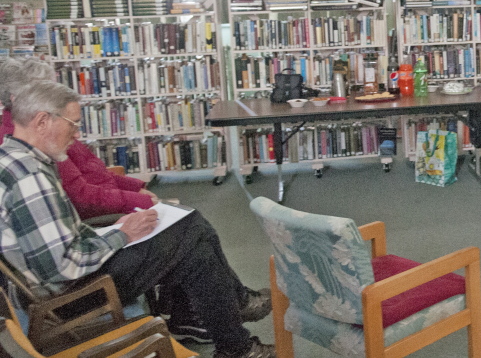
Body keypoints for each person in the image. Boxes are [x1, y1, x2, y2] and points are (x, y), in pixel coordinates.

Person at [0, 81, 275, 358]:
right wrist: (122, 235)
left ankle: (235, 341)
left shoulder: (13, 159)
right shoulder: (31, 179)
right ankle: (235, 327)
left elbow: (58, 240)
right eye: (72, 123)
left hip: (57, 282)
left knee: (193, 243)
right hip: (71, 295)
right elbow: (64, 266)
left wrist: (114, 230)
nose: (76, 133)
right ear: (42, 121)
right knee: (191, 230)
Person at [0, 58, 156, 219]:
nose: (57, 95)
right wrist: (137, 200)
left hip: (110, 203)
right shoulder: (38, 137)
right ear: (16, 99)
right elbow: (80, 197)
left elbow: (93, 172)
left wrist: (134, 188)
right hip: (101, 215)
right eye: (46, 91)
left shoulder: (54, 127)